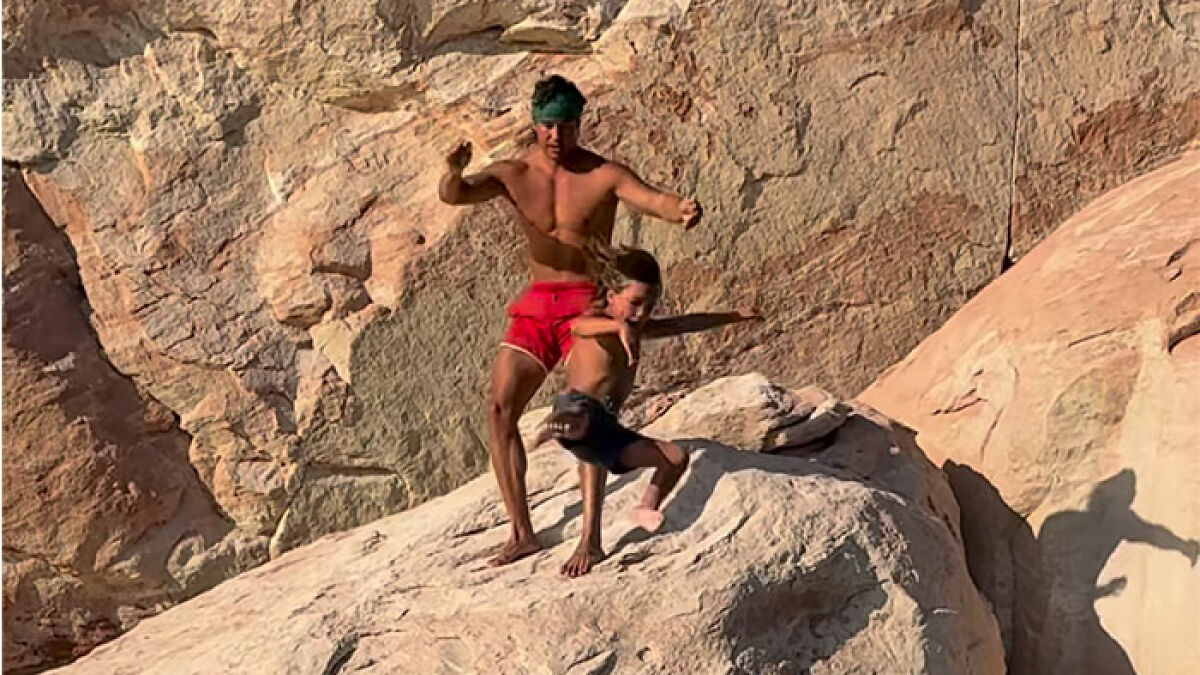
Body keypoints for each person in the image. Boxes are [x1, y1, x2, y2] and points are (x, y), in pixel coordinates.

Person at [438, 75, 703, 566]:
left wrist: (680, 209)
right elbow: (456, 195)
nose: (555, 135)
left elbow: (651, 199)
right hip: (539, 303)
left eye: (565, 125)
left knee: (587, 417)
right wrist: (452, 171)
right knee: (499, 409)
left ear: (580, 123)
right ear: (534, 124)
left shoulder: (603, 175)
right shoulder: (513, 174)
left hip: (588, 302)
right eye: (547, 125)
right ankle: (522, 533)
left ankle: (591, 540)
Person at [534, 246, 760, 577]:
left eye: (649, 306)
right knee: (585, 423)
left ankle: (644, 508)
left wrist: (734, 316)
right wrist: (617, 328)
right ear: (611, 295)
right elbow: (579, 327)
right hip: (579, 408)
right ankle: (564, 430)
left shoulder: (638, 326)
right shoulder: (598, 322)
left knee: (675, 458)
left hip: (607, 426)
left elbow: (684, 323)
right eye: (635, 303)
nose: (641, 314)